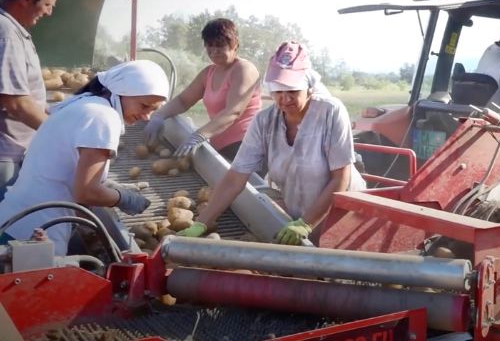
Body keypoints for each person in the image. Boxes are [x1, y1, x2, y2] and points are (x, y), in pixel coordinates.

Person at [177, 41, 365, 245]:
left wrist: (306, 223)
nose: (285, 99)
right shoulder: (265, 121)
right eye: (278, 91)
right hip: (299, 211)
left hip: (346, 214)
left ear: (309, 88)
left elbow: (340, 178)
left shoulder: (330, 112)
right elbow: (235, 178)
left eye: (293, 91)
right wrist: (201, 223)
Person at [0, 60, 169, 254]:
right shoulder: (103, 117)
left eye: (153, 110)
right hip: (34, 232)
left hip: (15, 219)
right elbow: (86, 192)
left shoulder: (85, 103)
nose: (147, 116)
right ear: (122, 91)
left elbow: (66, 170)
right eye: (144, 106)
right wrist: (125, 199)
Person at [143, 18, 261, 161]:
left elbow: (233, 112)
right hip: (220, 147)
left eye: (220, 45)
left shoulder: (243, 69)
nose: (214, 51)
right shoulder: (209, 73)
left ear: (235, 43)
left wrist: (199, 135)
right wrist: (159, 116)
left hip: (246, 146)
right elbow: (183, 101)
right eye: (210, 45)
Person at [0, 0, 63, 196]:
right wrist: (61, 134)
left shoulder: (12, 30)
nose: (49, 12)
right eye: (47, 5)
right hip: (5, 153)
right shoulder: (6, 33)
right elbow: (16, 102)